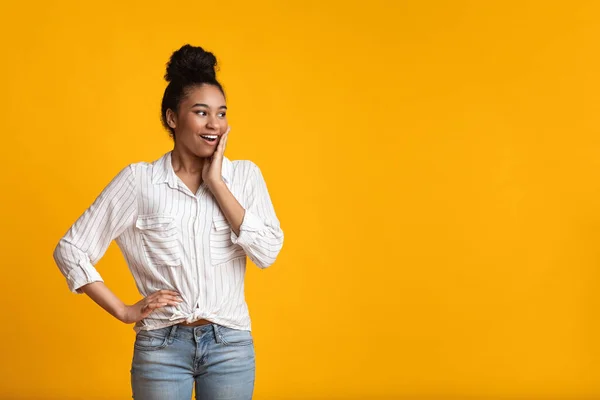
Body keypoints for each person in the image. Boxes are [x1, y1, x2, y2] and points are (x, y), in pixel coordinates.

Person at [52, 44, 284, 400]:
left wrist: (217, 184)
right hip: (161, 347)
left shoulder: (245, 177)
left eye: (221, 113)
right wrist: (124, 310)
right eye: (201, 112)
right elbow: (70, 250)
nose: (214, 124)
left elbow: (267, 253)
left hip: (230, 345)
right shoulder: (139, 181)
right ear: (172, 118)